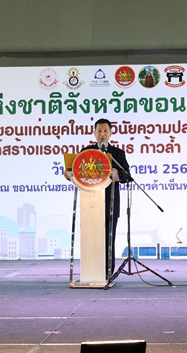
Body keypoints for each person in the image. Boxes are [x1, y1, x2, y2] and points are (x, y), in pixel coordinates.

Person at [81, 118, 130, 278]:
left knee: (109, 238)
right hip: (90, 203)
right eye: (99, 131)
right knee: (92, 239)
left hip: (110, 202)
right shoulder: (86, 152)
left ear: (110, 133)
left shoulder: (118, 154)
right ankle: (91, 271)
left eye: (105, 131)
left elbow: (127, 176)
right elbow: (77, 173)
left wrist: (117, 173)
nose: (102, 134)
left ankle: (108, 272)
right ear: (94, 133)